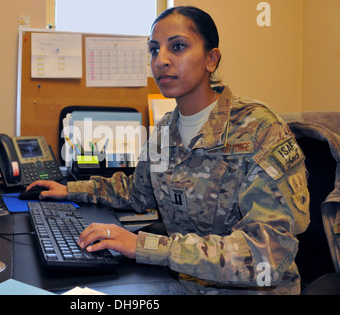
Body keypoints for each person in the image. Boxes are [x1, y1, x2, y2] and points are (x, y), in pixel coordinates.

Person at [27, 6, 310, 295]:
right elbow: (138, 191)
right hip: (181, 283)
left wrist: (145, 246)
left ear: (211, 59)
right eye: (153, 50)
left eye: (178, 47)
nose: (160, 61)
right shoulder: (164, 131)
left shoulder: (258, 129)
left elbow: (268, 253)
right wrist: (72, 189)